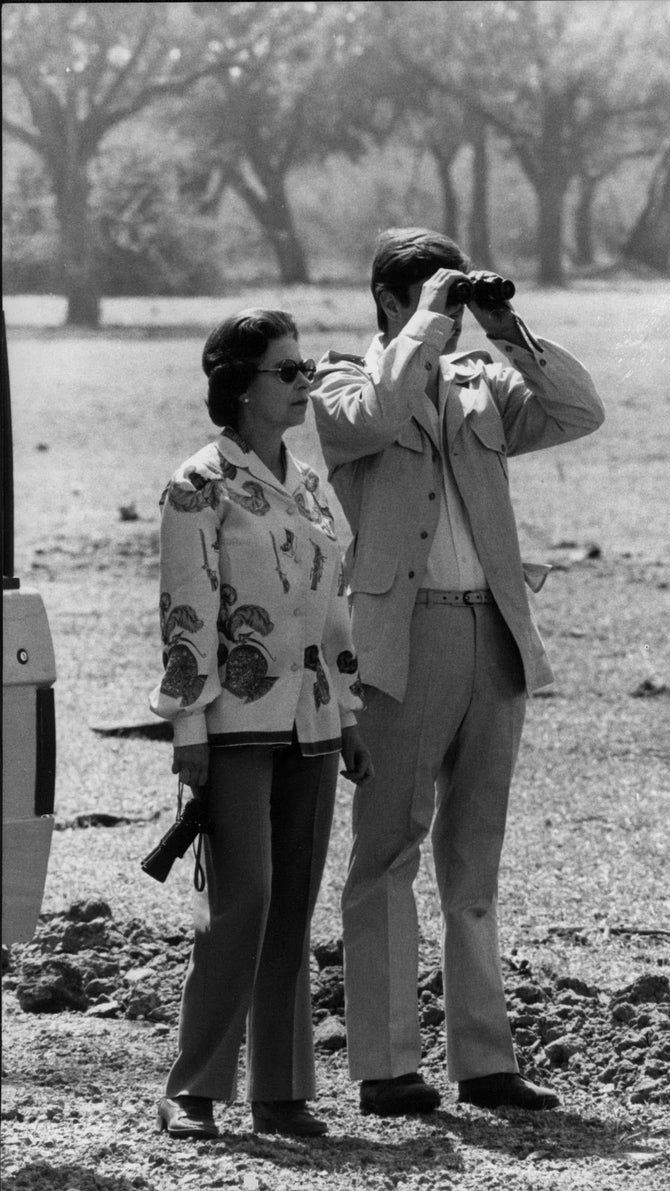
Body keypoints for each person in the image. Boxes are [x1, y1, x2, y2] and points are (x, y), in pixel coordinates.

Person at [310, 228, 605, 1117]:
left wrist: (506, 329)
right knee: (387, 853)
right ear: (390, 301)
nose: (447, 316)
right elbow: (376, 419)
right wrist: (425, 331)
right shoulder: (340, 382)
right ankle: (388, 1065)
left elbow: (578, 410)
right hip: (401, 640)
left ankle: (484, 1061)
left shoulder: (483, 384)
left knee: (473, 864)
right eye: (427, 296)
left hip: (492, 635)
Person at [149, 308, 372, 1141]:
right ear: (241, 385)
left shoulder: (311, 486)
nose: (304, 382)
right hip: (233, 721)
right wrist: (189, 729)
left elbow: (333, 612)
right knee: (243, 900)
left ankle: (281, 1090)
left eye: (304, 365)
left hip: (311, 720)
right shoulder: (196, 485)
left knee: (293, 907)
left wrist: (349, 713)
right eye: (288, 370)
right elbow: (186, 612)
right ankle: (195, 1087)